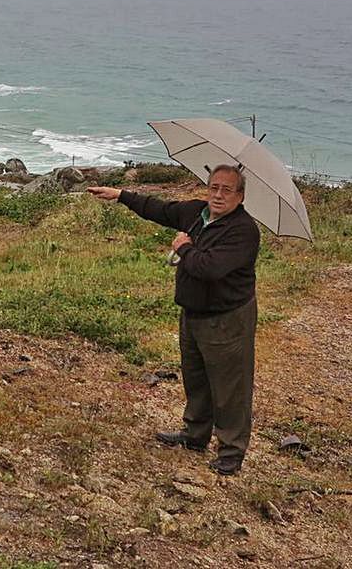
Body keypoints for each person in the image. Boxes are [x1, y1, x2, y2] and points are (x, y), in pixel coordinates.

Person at [87, 165, 260, 475]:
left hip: (227, 318)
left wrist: (184, 247)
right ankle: (195, 436)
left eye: (227, 190)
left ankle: (231, 451)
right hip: (193, 312)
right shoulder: (197, 212)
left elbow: (209, 268)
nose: (218, 195)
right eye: (214, 187)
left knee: (229, 385)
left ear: (241, 196)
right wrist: (121, 195)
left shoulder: (244, 230)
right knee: (196, 376)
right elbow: (160, 210)